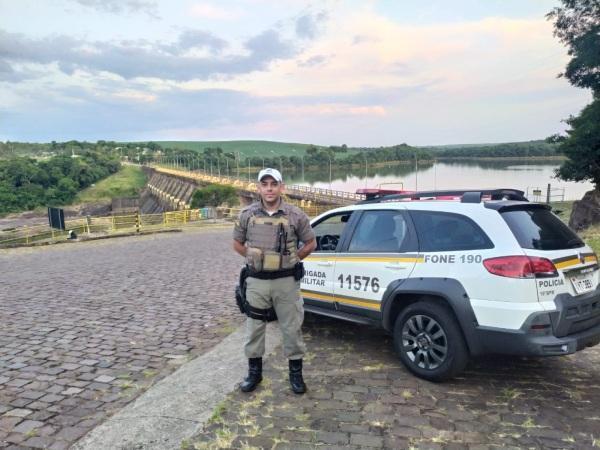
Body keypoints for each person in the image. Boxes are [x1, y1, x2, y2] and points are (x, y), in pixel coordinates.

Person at [233, 168, 316, 394]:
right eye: (265, 184)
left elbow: (311, 243)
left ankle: (296, 376)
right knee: (254, 328)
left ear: (282, 187)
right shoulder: (247, 214)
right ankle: (254, 374)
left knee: (291, 327)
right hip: (257, 281)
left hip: (286, 281)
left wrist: (294, 258)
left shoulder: (295, 215)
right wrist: (252, 257)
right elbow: (237, 244)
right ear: (259, 188)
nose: (269, 188)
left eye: (273, 184)